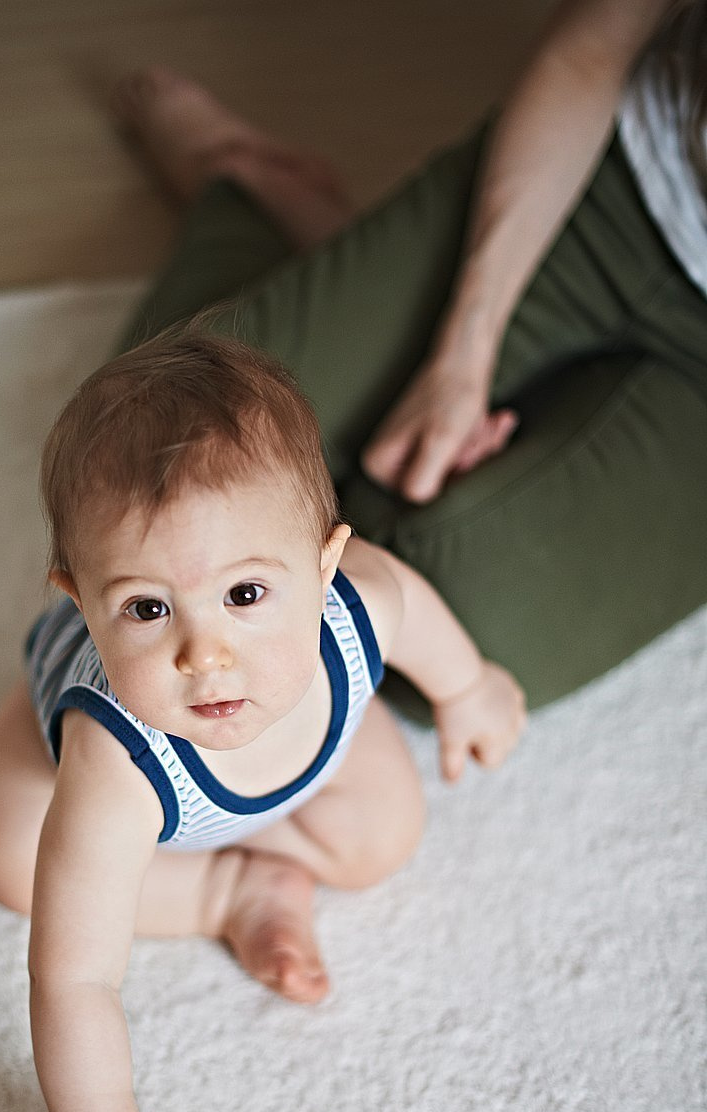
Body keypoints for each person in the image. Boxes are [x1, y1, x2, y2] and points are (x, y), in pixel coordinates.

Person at [0, 330, 526, 1112]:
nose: (204, 656)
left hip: (301, 756)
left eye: (248, 595)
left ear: (325, 565)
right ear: (80, 601)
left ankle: (257, 872)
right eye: (142, 608)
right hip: (127, 774)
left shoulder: (360, 609)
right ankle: (225, 892)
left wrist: (467, 685)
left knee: (383, 835)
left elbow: (421, 622)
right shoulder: (108, 760)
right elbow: (74, 977)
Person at [111, 0, 707, 710]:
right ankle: (241, 185)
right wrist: (462, 354)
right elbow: (593, 45)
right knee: (150, 453)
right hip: (604, 179)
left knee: (428, 644)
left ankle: (331, 246)